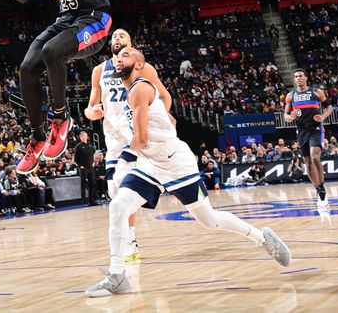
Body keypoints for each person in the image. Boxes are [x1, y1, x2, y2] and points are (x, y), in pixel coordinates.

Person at [86, 47, 290, 297]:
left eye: (126, 55)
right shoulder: (128, 92)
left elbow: (141, 137)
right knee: (118, 207)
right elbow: (161, 124)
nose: (118, 57)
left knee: (209, 220)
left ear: (139, 65)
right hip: (151, 162)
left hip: (174, 163)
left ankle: (262, 238)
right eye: (117, 56)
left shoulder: (140, 87)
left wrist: (124, 163)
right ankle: (117, 275)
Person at [0, 0, 112, 174]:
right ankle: (37, 137)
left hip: (94, 18)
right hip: (65, 20)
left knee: (51, 51)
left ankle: (60, 118)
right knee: (27, 68)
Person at [84, 28, 173, 262]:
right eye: (114, 36)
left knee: (128, 189)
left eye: (122, 36)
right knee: (115, 191)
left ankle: (158, 192)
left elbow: (165, 96)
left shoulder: (143, 68)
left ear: (131, 44)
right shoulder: (99, 71)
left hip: (138, 134)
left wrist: (163, 115)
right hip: (114, 139)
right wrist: (92, 112)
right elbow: (90, 106)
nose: (117, 38)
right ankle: (131, 241)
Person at [283, 68, 333, 209]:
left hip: (316, 129)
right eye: (296, 77)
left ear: (305, 78)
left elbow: (329, 107)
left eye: (300, 76)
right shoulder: (290, 96)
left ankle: (322, 189)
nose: (298, 78)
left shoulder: (317, 92)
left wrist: (323, 116)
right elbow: (285, 116)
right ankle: (317, 189)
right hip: (302, 131)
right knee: (307, 162)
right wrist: (290, 117)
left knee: (314, 156)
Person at [74, 131, 97, 206]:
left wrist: (93, 162)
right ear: (80, 137)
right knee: (83, 184)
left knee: (92, 184)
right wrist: (80, 166)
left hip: (91, 167)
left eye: (85, 135)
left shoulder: (90, 145)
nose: (84, 137)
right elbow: (75, 159)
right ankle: (84, 201)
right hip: (83, 168)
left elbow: (92, 155)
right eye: (82, 136)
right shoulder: (78, 146)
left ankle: (91, 200)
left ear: (87, 137)